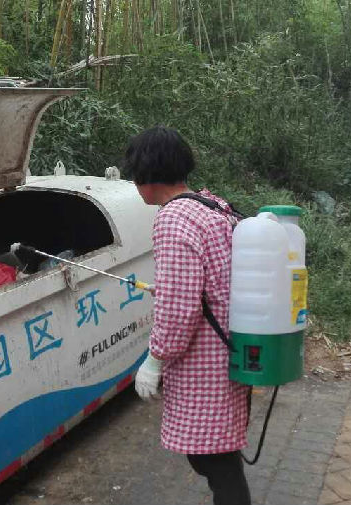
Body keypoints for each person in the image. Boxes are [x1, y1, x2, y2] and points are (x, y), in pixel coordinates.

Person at [125, 126, 251, 505]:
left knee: (213, 461)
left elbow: (180, 313)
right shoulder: (211, 205)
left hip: (205, 366)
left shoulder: (174, 219)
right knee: (221, 456)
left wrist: (154, 360)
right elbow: (215, 279)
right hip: (231, 350)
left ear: (146, 176)